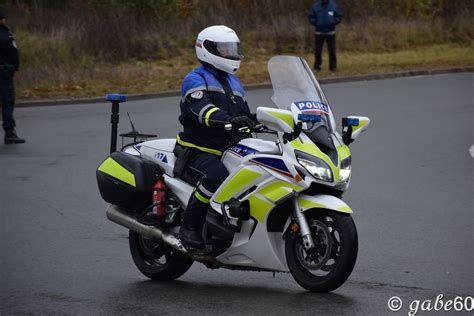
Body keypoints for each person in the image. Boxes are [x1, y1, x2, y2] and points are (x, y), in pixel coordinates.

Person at [177, 25, 256, 248]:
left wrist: (261, 119)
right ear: (207, 49)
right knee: (216, 176)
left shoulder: (234, 82)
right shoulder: (195, 79)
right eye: (225, 49)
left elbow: (243, 114)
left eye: (233, 49)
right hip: (198, 149)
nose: (230, 54)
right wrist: (227, 120)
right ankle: (189, 227)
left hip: (228, 148)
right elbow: (202, 111)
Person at [0, 12, 24, 144]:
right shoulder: (5, 34)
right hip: (3, 71)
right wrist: (14, 66)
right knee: (7, 101)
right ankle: (9, 133)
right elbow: (12, 51)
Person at [308, 0, 342, 72]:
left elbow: (339, 16)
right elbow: (310, 17)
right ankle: (317, 67)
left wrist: (333, 22)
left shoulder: (334, 5)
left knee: (332, 50)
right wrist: (316, 23)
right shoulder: (315, 6)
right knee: (318, 51)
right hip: (319, 32)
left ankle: (333, 67)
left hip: (331, 32)